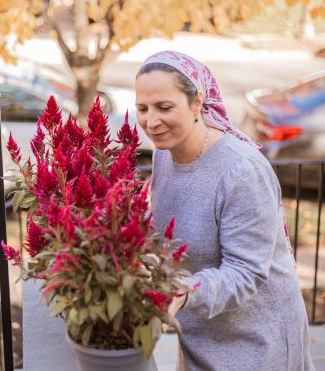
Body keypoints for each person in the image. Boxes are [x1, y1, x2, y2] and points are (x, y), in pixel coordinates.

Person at [134, 51, 314, 371]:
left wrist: (185, 292)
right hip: (198, 331)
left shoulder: (240, 171)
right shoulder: (165, 156)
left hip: (258, 343)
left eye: (164, 107)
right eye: (142, 108)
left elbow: (246, 272)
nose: (151, 121)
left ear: (197, 103)